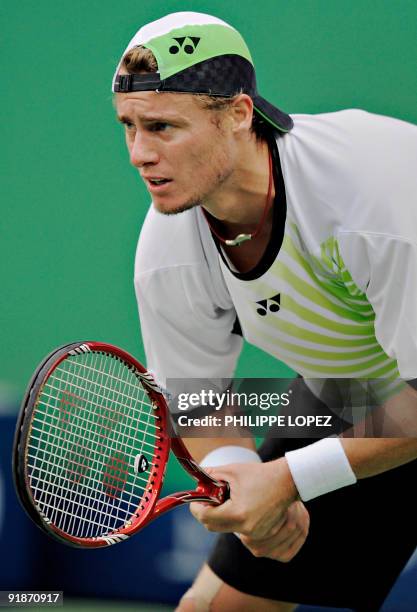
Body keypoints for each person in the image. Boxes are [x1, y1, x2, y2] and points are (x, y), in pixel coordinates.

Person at [112, 11, 417, 611]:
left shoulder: (371, 197)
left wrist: (288, 479)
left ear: (238, 115)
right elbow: (198, 396)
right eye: (128, 126)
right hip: (356, 390)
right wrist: (234, 477)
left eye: (163, 126)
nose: (139, 154)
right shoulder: (169, 249)